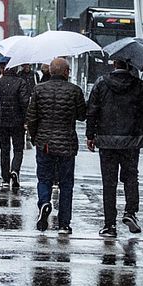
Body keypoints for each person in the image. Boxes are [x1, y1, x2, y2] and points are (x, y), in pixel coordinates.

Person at [86, 60, 143, 238]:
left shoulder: (101, 83)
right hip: (131, 141)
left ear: (113, 65)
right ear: (130, 66)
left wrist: (90, 135)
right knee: (131, 177)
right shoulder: (138, 85)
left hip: (107, 141)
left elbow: (92, 110)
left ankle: (110, 225)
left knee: (109, 183)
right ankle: (130, 212)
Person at [25, 57, 86, 234]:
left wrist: (36, 137)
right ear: (66, 72)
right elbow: (82, 115)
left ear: (51, 72)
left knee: (44, 179)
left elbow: (32, 117)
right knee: (66, 184)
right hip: (67, 143)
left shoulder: (39, 90)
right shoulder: (74, 91)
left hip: (44, 143)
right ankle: (64, 224)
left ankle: (44, 202)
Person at [0, 60, 30, 189]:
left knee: (4, 150)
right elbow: (25, 103)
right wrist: (26, 120)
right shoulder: (21, 82)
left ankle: (5, 179)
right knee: (18, 149)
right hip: (18, 122)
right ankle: (15, 170)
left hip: (3, 122)